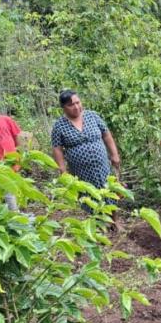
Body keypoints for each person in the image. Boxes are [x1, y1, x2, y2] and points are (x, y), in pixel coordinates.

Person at [50, 90, 122, 226]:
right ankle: (99, 225)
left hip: (102, 166)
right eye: (71, 105)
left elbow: (106, 134)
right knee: (89, 196)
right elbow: (57, 148)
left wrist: (114, 154)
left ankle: (115, 222)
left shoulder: (92, 116)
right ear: (63, 107)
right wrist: (62, 170)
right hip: (81, 171)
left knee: (109, 191)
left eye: (78, 102)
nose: (76, 107)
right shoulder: (59, 126)